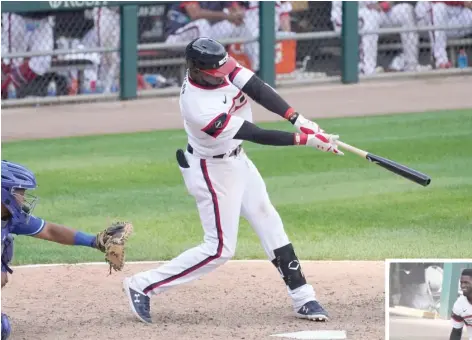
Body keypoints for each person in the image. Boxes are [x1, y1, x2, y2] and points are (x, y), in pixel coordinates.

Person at [122, 37, 341, 324]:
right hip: (212, 171)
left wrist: (297, 118)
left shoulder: (219, 65)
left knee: (269, 221)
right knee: (219, 249)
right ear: (196, 70)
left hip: (238, 161)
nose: (223, 75)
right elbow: (256, 133)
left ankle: (303, 296)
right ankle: (142, 284)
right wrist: (308, 140)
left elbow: (257, 89)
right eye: (216, 73)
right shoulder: (197, 106)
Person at [1, 160, 133, 339]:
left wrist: (94, 241)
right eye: (19, 192)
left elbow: (50, 230)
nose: (23, 199)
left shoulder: (9, 218)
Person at [331, 1, 431, 75]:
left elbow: (387, 3)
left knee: (406, 10)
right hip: (347, 19)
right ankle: (367, 69)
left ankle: (411, 65)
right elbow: (351, 9)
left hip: (376, 14)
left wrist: (385, 4)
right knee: (369, 15)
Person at [415, 1, 472, 68]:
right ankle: (440, 61)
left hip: (462, 15)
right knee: (438, 8)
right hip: (438, 19)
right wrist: (463, 1)